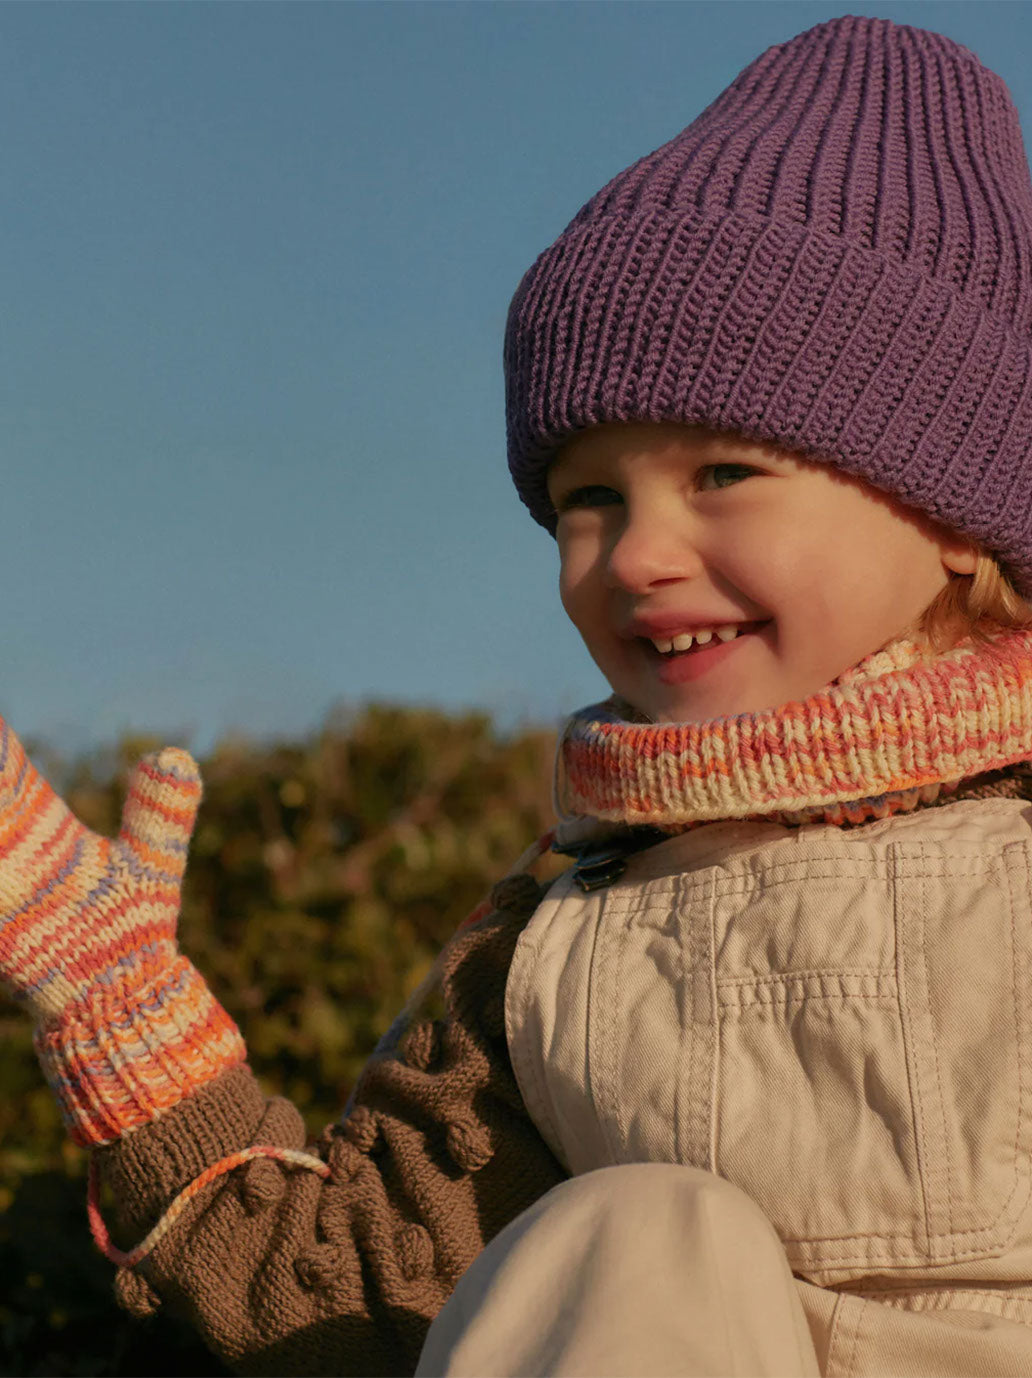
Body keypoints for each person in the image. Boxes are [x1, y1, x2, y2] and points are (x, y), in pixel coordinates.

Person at [4, 12, 1032, 1376]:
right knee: (643, 1234)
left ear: (958, 513)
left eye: (721, 473)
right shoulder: (562, 936)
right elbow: (347, 1302)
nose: (642, 556)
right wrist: (118, 1013)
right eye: (586, 500)